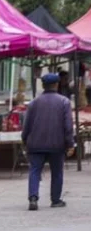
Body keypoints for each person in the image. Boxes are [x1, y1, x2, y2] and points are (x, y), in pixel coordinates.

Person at [21, 73, 75, 211]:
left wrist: (24, 139)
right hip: (57, 145)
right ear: (57, 85)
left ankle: (33, 198)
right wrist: (70, 143)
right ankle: (55, 200)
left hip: (35, 144)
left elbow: (27, 124)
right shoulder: (64, 102)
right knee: (57, 172)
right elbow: (68, 126)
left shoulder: (34, 102)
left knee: (34, 170)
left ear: (43, 86)